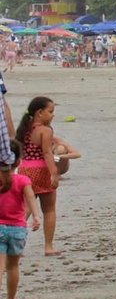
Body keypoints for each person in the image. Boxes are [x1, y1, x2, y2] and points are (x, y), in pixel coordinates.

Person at [14, 98, 62, 256]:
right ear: (39, 113)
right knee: (49, 209)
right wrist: (54, 172)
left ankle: (16, 246)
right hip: (41, 169)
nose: (52, 115)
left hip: (25, 169)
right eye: (50, 111)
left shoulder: (25, 128)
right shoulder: (45, 130)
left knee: (24, 209)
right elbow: (47, 153)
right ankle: (48, 246)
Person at [0, 161, 42, 299]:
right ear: (18, 162)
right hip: (17, 228)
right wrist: (36, 217)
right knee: (12, 267)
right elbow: (31, 198)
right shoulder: (23, 180)